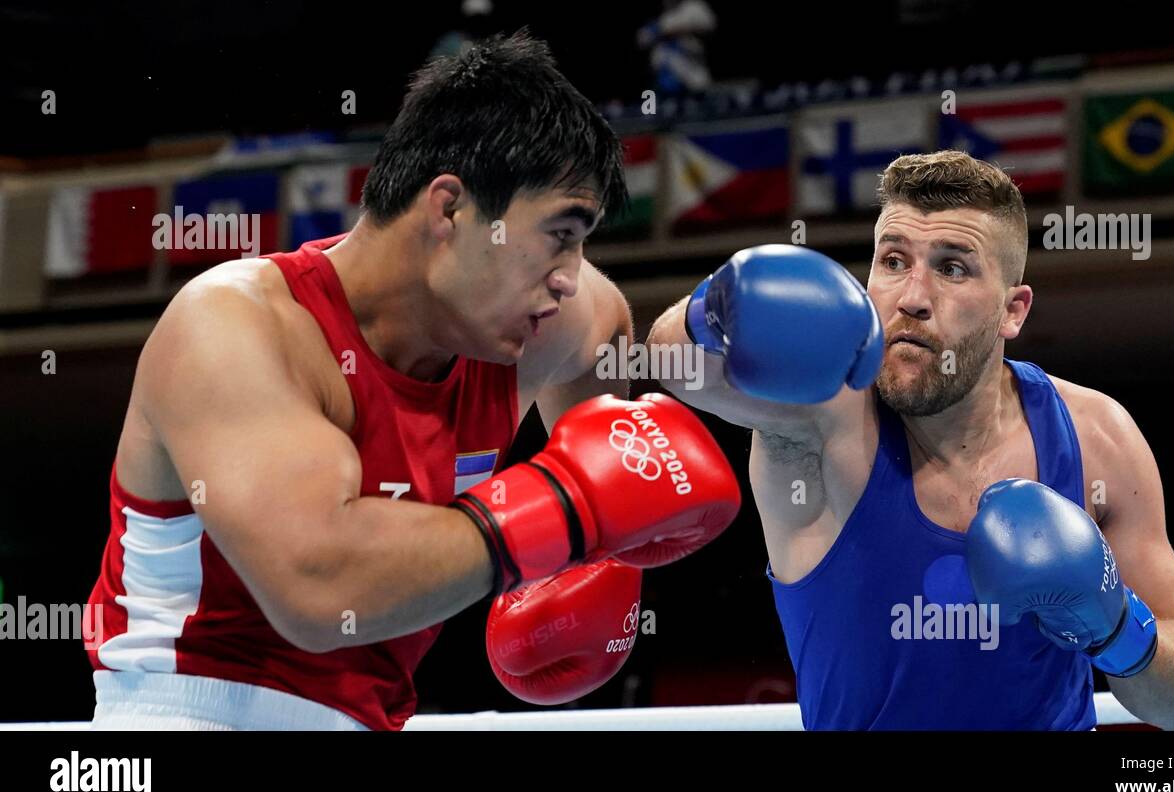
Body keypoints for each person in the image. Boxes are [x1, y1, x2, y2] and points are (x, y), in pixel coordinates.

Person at [85, 33, 739, 731]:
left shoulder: (531, 324)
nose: (569, 275)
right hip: (188, 715)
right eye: (559, 234)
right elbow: (317, 584)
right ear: (450, 209)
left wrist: (602, 558)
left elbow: (602, 325)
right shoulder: (236, 327)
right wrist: (571, 506)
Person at [648, 150, 1174, 730]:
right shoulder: (819, 417)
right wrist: (715, 307)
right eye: (894, 260)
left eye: (952, 268)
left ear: (1012, 311)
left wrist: (1116, 628)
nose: (912, 297)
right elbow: (673, 362)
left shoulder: (1095, 435)